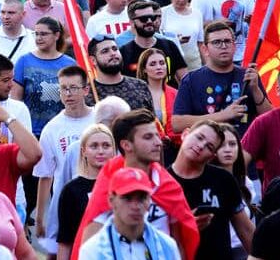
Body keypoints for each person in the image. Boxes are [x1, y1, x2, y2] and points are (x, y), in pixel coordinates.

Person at [72, 109, 199, 260]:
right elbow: (89, 240)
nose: (158, 143)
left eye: (157, 136)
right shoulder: (110, 181)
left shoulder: (166, 184)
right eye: (148, 137)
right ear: (126, 145)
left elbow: (178, 245)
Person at [34, 65, 98, 256]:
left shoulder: (99, 119)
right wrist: (40, 218)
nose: (68, 93)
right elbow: (45, 176)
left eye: (73, 88)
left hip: (98, 197)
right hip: (67, 202)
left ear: (86, 90)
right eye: (63, 88)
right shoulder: (52, 129)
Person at [168, 120, 254, 260]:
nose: (201, 146)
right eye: (199, 137)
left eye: (209, 146)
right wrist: (186, 228)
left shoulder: (223, 179)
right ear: (185, 134)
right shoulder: (162, 181)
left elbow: (246, 230)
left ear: (212, 156)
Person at [173, 21, 272, 135]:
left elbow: (269, 117)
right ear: (205, 49)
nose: (223, 46)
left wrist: (255, 89)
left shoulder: (248, 75)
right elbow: (177, 124)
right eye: (216, 42)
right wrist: (223, 115)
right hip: (209, 147)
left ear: (234, 46)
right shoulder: (191, 80)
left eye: (227, 41)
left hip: (244, 147)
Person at [77, 167, 182, 260]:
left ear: (149, 200)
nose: (135, 206)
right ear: (111, 200)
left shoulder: (167, 246)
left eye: (142, 198)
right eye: (127, 198)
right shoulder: (92, 251)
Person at [57, 125, 115, 260]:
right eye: (94, 146)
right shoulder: (71, 190)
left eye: (106, 146)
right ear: (83, 151)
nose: (101, 151)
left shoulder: (123, 185)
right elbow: (65, 241)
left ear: (114, 150)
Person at [13, 17, 76, 137]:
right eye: (36, 34)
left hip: (62, 132)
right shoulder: (24, 61)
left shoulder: (70, 64)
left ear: (56, 35)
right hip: (31, 132)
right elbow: (16, 100)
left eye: (44, 34)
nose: (39, 38)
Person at [190, 0, 254, 64]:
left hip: (241, 54)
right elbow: (193, 26)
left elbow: (254, 21)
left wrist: (251, 20)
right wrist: (215, 23)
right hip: (214, 56)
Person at [210, 123, 256, 260]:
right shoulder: (206, 182)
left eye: (232, 144)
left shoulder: (246, 182)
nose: (228, 149)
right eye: (222, 145)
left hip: (244, 252)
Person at [119, 0, 188, 84]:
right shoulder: (124, 52)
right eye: (143, 19)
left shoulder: (169, 45)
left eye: (152, 17)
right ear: (132, 23)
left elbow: (185, 80)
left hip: (168, 95)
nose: (149, 21)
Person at [87, 34, 154, 112]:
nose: (113, 53)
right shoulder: (87, 93)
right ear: (93, 60)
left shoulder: (140, 86)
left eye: (115, 49)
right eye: (105, 51)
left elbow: (153, 121)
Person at [160, 0, 204, 70]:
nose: (181, 0)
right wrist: (175, 41)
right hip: (172, 63)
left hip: (194, 63)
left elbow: (200, 43)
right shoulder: (163, 13)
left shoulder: (197, 14)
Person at [137, 48, 179, 147]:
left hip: (175, 146)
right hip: (147, 146)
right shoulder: (138, 94)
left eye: (162, 63)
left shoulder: (176, 93)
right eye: (153, 64)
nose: (159, 67)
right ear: (144, 69)